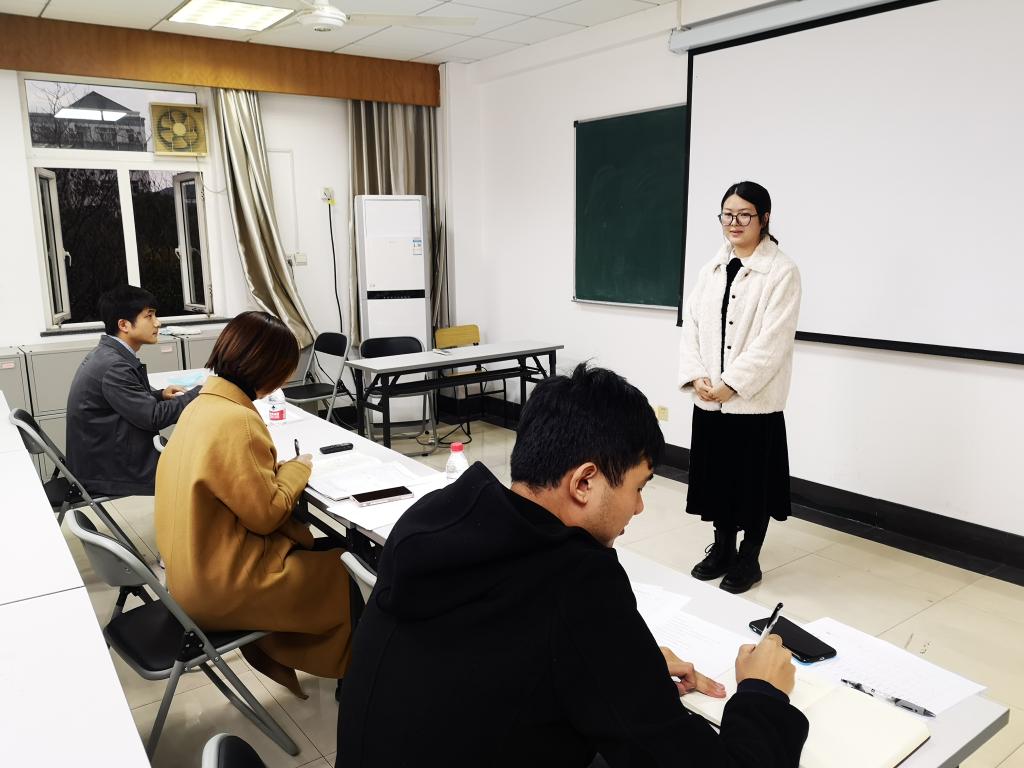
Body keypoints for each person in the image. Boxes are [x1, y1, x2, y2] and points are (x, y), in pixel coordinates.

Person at [337, 364, 808, 767]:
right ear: (585, 482)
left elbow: (500, 653)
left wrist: (624, 662)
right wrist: (762, 693)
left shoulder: (437, 518)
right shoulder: (578, 581)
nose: (639, 507)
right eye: (638, 487)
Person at [154, 310, 353, 697]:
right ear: (268, 369)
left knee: (327, 555)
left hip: (187, 578)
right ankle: (356, 679)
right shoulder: (237, 420)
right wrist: (298, 468)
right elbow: (267, 516)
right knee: (347, 573)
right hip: (219, 588)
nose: (287, 379)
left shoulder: (200, 407)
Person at [678, 181, 802, 594]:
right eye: (727, 214)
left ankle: (749, 558)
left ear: (764, 218)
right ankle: (722, 549)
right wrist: (697, 375)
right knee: (718, 480)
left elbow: (773, 341)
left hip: (753, 403)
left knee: (752, 485)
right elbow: (692, 326)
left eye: (744, 214)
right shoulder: (711, 269)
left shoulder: (781, 271)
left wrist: (731, 384)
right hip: (710, 400)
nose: (734, 222)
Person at [66, 284, 199, 497]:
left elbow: (124, 401)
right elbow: (153, 417)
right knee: (202, 467)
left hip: (105, 458)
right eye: (149, 316)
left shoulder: (107, 354)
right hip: (109, 470)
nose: (158, 323)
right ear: (124, 325)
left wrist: (160, 394)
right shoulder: (114, 366)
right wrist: (200, 393)